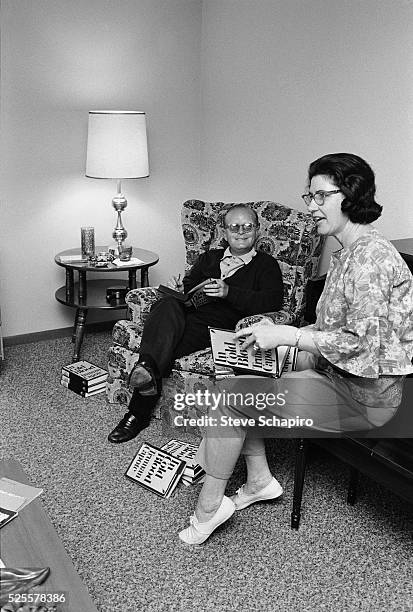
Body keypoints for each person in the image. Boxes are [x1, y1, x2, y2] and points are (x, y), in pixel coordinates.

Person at [178, 152, 413, 545]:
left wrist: (290, 337)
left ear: (350, 196)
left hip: (366, 397)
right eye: (310, 197)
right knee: (245, 372)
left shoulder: (371, 259)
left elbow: (363, 348)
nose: (311, 208)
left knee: (231, 399)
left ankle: (210, 507)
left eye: (320, 197)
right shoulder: (349, 252)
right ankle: (258, 481)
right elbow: (330, 328)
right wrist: (278, 328)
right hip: (338, 376)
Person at [108, 204, 284, 443]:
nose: (241, 231)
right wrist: (181, 288)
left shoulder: (265, 265)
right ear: (224, 232)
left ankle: (138, 411)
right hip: (184, 311)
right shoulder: (209, 258)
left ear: (258, 230)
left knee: (163, 346)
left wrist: (229, 292)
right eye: (234, 226)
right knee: (167, 303)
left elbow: (272, 300)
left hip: (215, 323)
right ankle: (147, 368)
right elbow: (191, 285)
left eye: (248, 226)